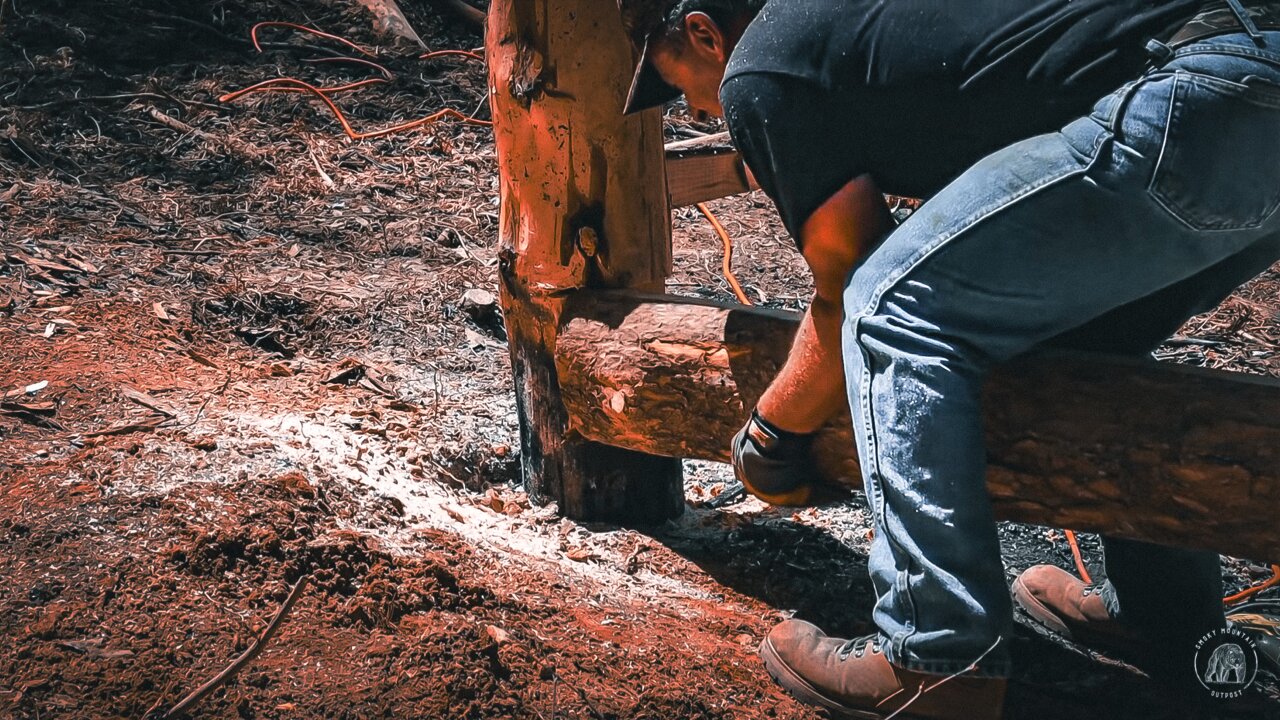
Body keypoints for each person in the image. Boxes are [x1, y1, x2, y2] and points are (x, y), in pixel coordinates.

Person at [619, 0, 1280, 717]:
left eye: (677, 80)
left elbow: (850, 280)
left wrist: (770, 436)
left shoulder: (760, 67)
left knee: (893, 309)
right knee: (1086, 342)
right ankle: (1163, 617)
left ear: (703, 31)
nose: (690, 106)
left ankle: (936, 655)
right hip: (1246, 87)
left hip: (1199, 94)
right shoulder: (853, 29)